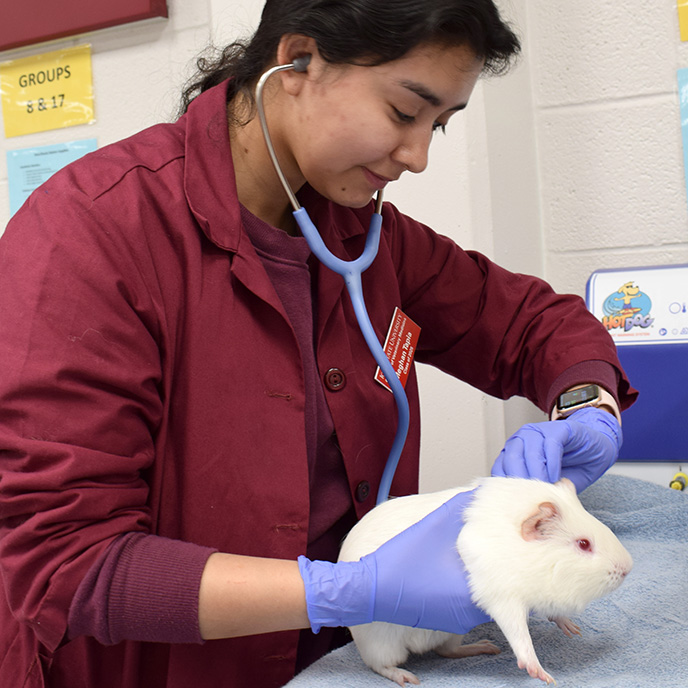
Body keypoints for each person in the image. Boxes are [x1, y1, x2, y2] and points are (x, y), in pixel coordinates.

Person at [0, 1, 637, 687]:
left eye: (439, 126)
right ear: (297, 61)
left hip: (339, 667)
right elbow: (63, 562)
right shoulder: (90, 235)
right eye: (404, 112)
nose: (418, 157)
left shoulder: (364, 238)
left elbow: (533, 323)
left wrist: (586, 407)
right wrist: (340, 590)